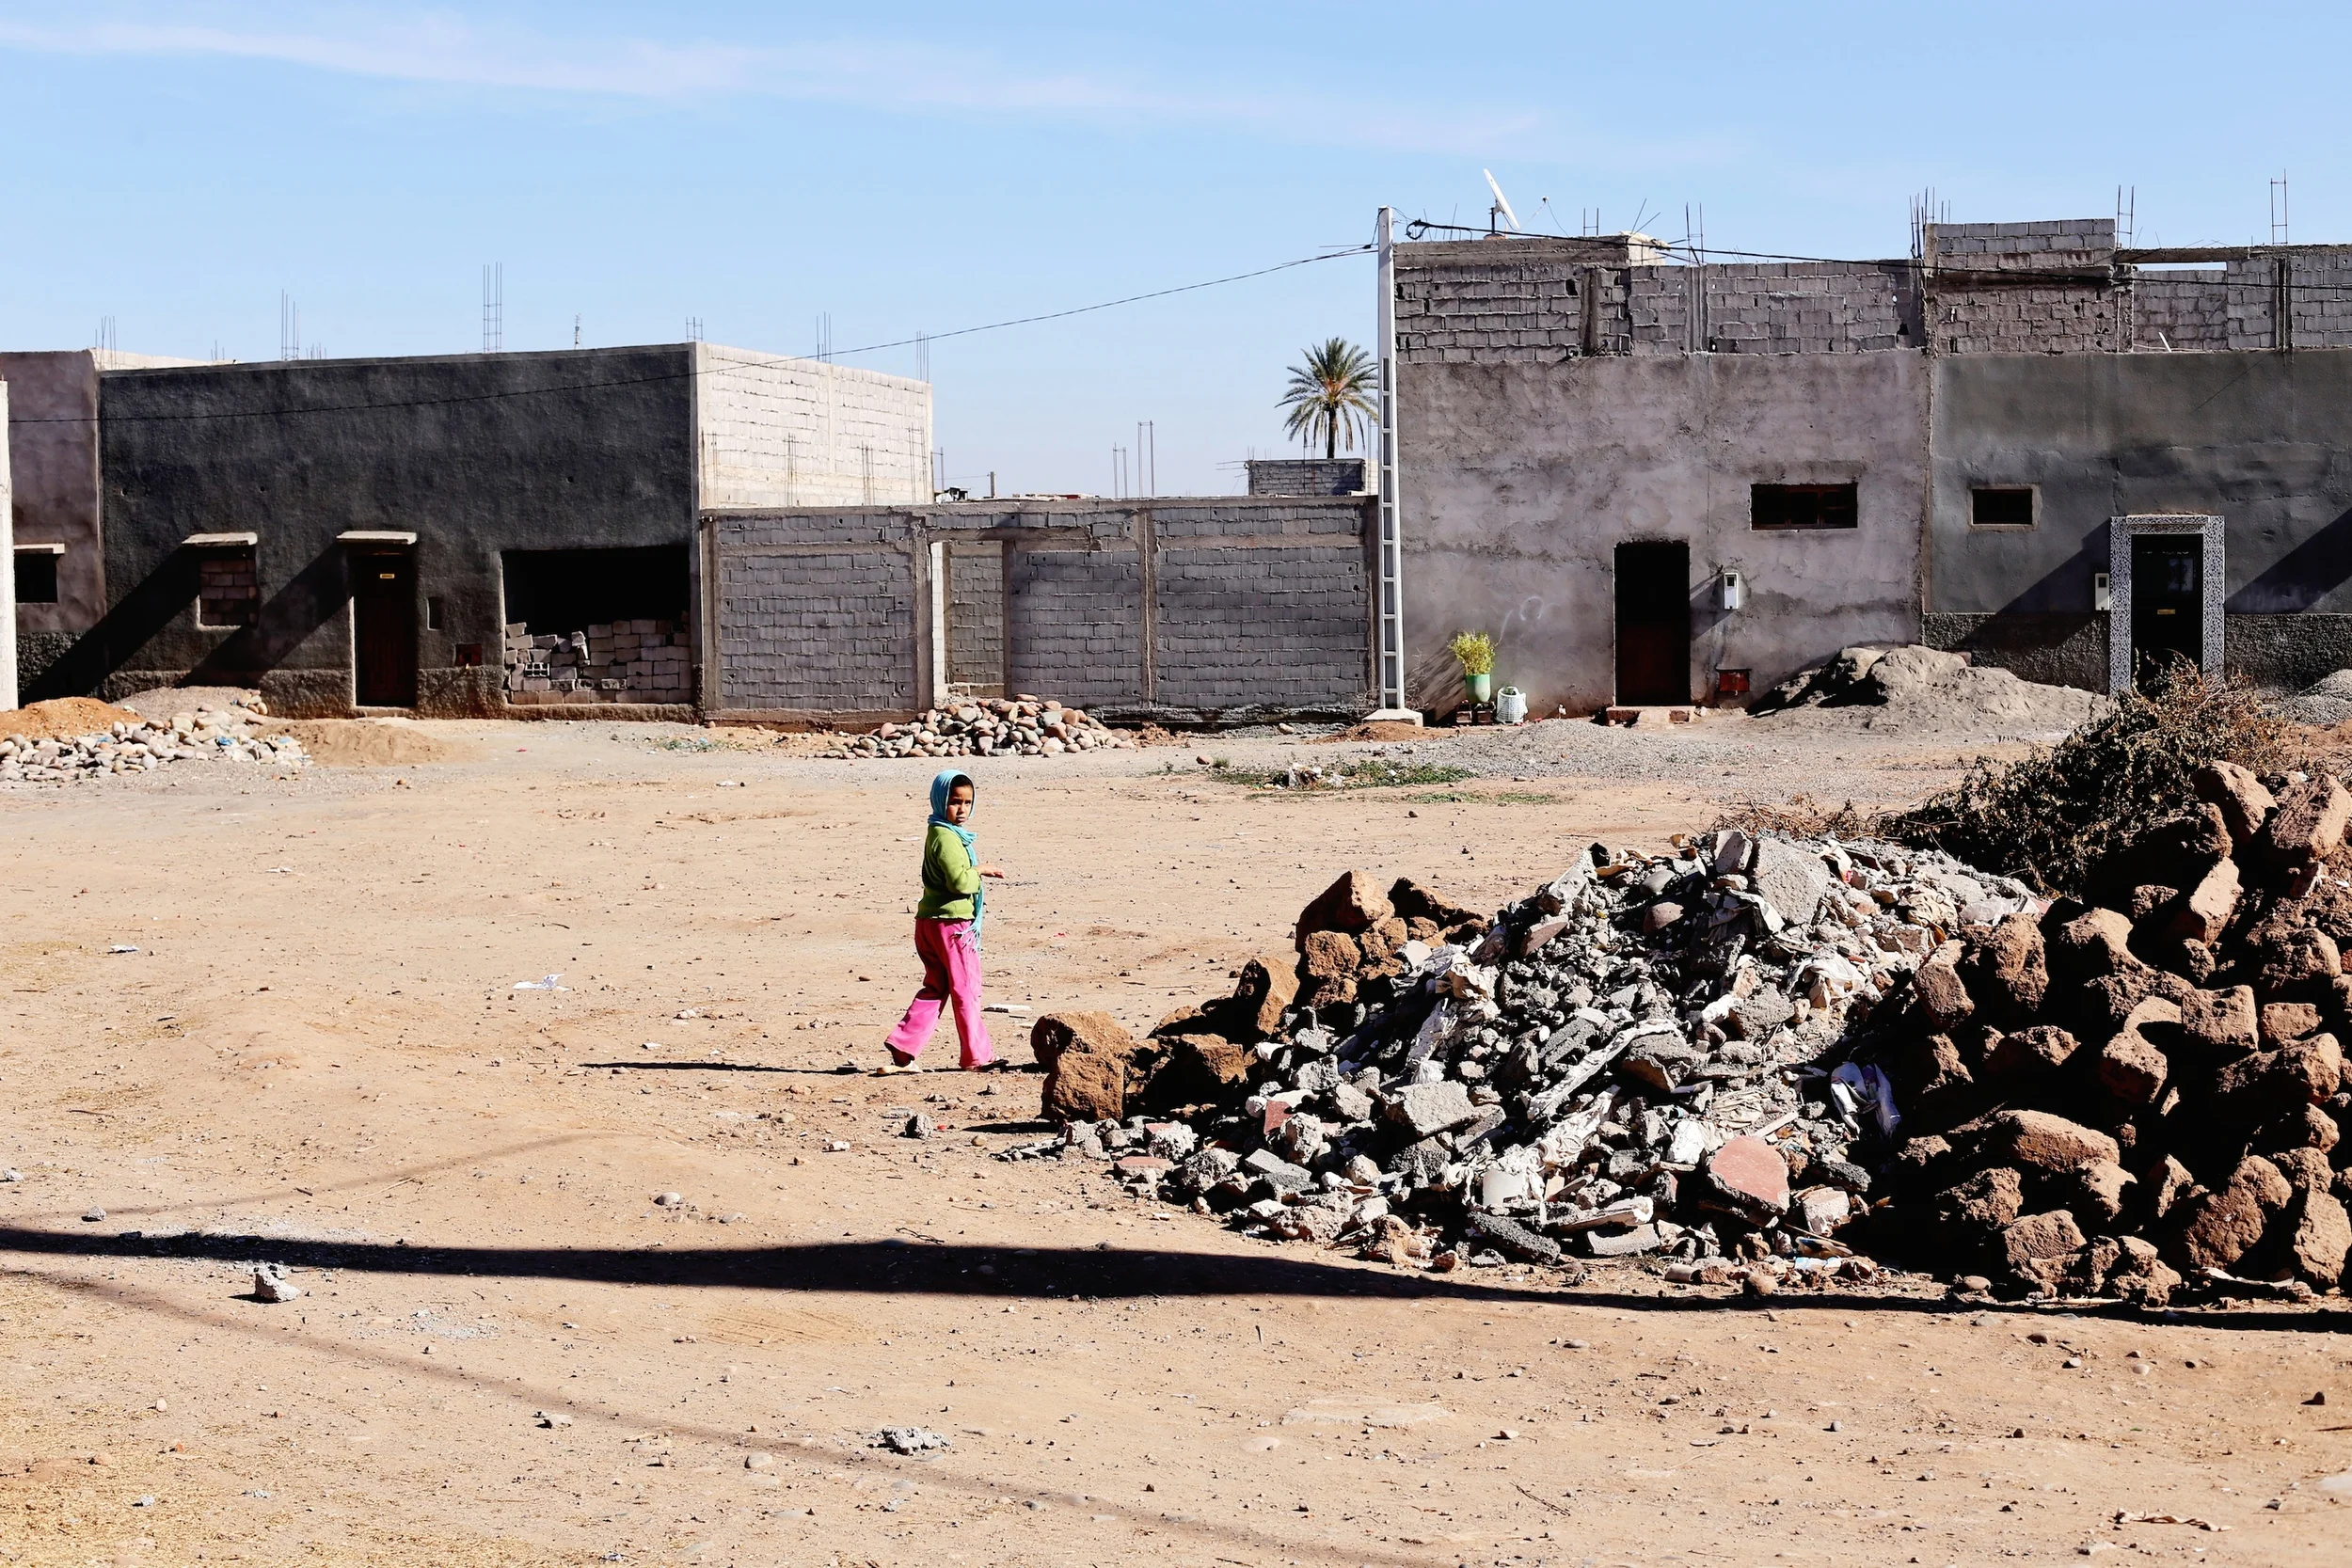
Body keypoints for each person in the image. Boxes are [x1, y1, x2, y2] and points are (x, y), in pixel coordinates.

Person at [880, 769, 1005, 1073]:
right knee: (966, 988)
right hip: (953, 926)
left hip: (929, 922)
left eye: (967, 802)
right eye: (954, 802)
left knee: (936, 985)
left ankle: (904, 1043)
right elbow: (959, 883)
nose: (961, 810)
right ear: (939, 801)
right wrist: (981, 870)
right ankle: (976, 1056)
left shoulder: (938, 832)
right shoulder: (946, 838)